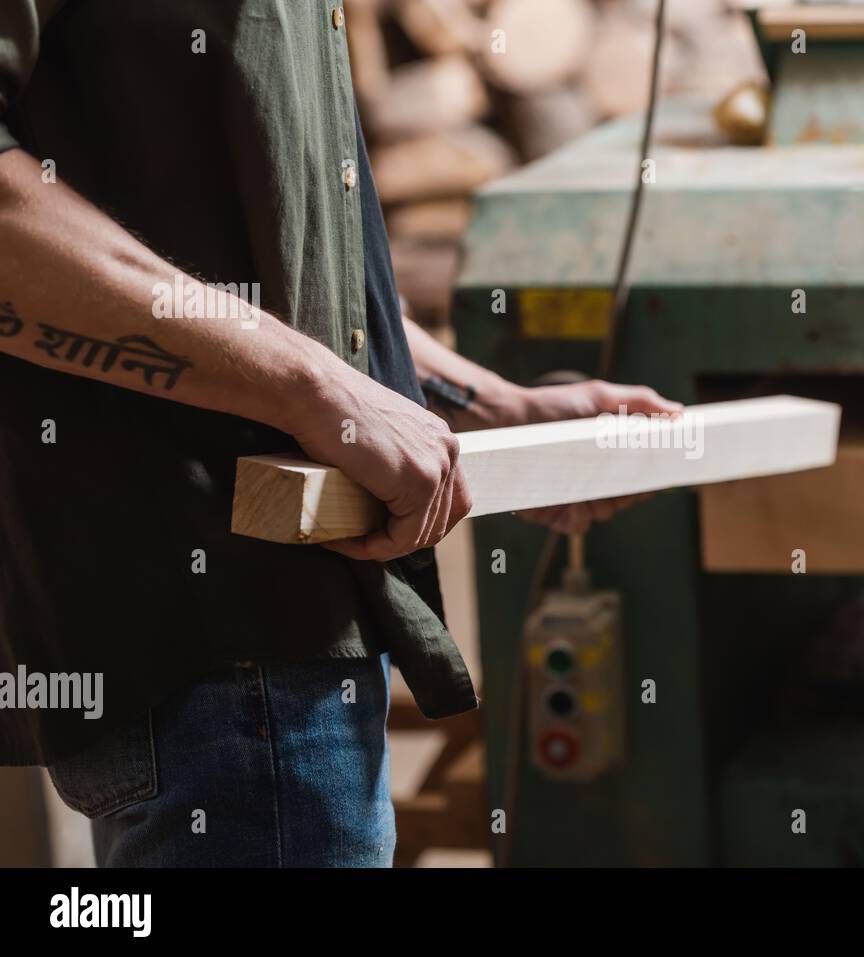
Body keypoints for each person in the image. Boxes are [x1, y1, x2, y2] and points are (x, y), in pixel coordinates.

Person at [0, 1, 677, 866]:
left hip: (298, 634)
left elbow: (293, 265)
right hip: (214, 630)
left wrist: (482, 400)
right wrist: (312, 388)